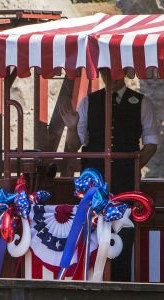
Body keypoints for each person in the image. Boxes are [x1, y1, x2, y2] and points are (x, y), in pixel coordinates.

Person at [61, 72, 158, 282]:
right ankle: (88, 282)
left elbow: (151, 143)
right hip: (94, 181)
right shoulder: (89, 102)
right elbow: (73, 144)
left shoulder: (142, 103)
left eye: (114, 71)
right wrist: (71, 127)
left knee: (123, 229)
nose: (110, 76)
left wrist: (132, 167)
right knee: (91, 230)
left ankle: (121, 283)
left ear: (124, 72)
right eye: (106, 71)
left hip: (125, 182)